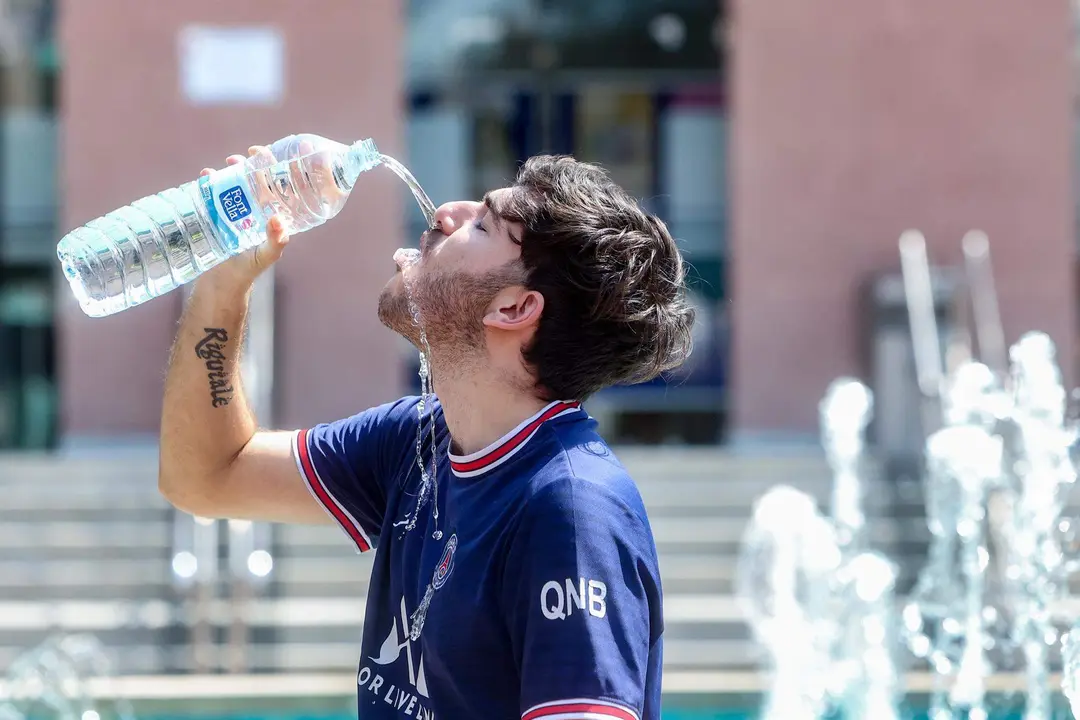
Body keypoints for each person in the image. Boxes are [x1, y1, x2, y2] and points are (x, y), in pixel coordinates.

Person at [158, 147, 695, 720]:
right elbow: (207, 476)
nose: (445, 214)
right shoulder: (417, 443)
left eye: (484, 223)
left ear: (513, 308)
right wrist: (222, 285)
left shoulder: (570, 506)